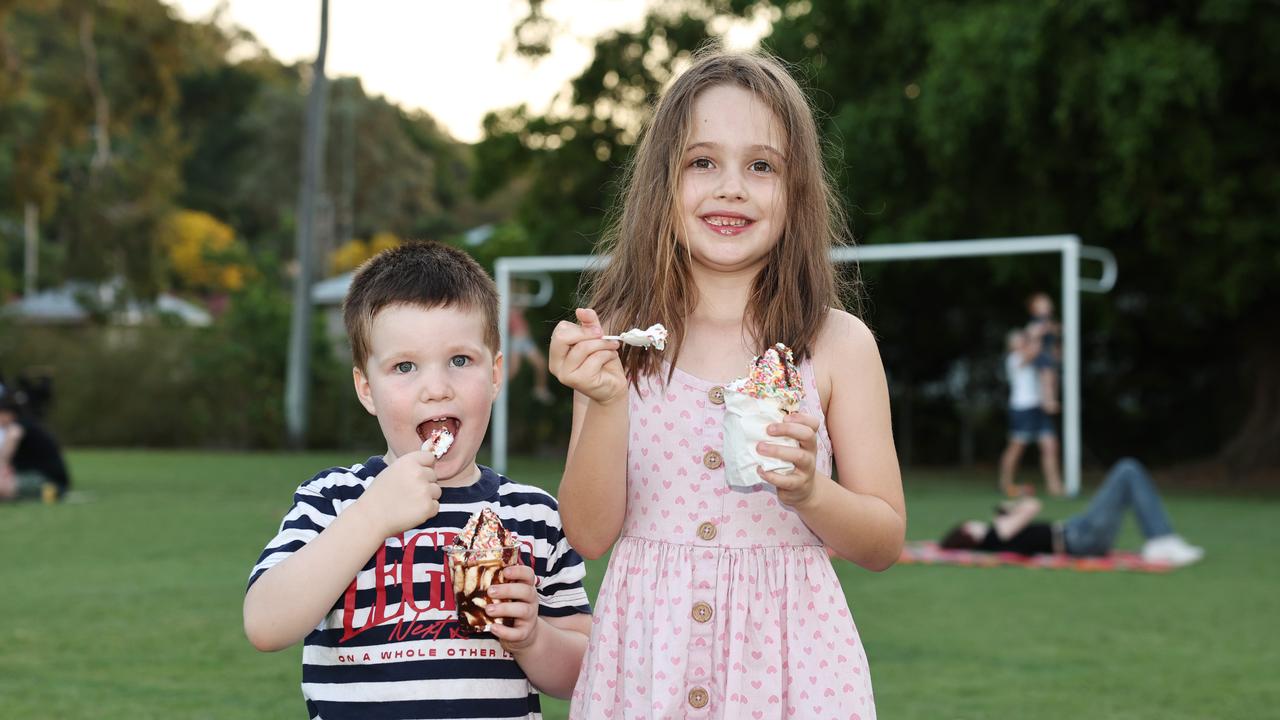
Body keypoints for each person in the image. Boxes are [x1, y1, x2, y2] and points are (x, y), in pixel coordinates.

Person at [549, 51, 905, 718]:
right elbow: (589, 534)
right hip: (647, 666)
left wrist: (810, 491)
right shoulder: (620, 339)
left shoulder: (838, 345)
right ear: (663, 183)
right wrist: (603, 403)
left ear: (797, 191)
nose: (731, 187)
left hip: (792, 671)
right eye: (702, 162)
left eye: (762, 166)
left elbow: (883, 541)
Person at [243, 242, 592, 719]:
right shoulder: (332, 502)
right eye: (405, 367)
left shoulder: (532, 514)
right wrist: (372, 516)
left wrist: (533, 637)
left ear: (495, 374)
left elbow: (584, 676)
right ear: (367, 389)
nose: (436, 388)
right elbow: (265, 624)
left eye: (460, 361)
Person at [941, 458, 1204, 566]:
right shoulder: (993, 538)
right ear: (968, 532)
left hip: (1077, 532)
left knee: (1127, 473)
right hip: (1080, 538)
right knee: (1127, 470)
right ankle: (1160, 540)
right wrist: (1016, 505)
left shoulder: (997, 534)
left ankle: (1161, 538)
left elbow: (1017, 518)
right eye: (970, 523)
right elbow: (1033, 506)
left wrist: (1008, 511)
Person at [999, 328, 1064, 497]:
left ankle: (1055, 487)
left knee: (1050, 446)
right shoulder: (1014, 359)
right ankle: (1005, 483)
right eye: (1020, 341)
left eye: (1023, 340)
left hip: (1039, 408)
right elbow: (1034, 352)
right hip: (1022, 409)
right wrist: (1038, 332)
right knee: (1016, 447)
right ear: (1012, 345)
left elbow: (1050, 364)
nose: (1023, 343)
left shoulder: (1035, 357)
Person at [0, 389, 71, 503]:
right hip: (34, 476)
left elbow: (12, 438)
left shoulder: (20, 425)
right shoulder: (26, 424)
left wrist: (2, 466)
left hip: (50, 482)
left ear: (8, 414)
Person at [507, 290, 556, 405]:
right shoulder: (505, 307)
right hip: (517, 340)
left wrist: (524, 298)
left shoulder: (514, 307)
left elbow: (523, 306)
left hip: (525, 340)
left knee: (541, 363)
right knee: (513, 370)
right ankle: (492, 388)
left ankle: (540, 389)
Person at [1025, 292, 1061, 415]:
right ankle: (1048, 401)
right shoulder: (1037, 322)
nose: (1047, 307)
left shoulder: (1049, 321)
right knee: (1046, 377)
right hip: (1041, 355)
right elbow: (1031, 333)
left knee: (1053, 378)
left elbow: (1056, 331)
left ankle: (1051, 399)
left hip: (1049, 354)